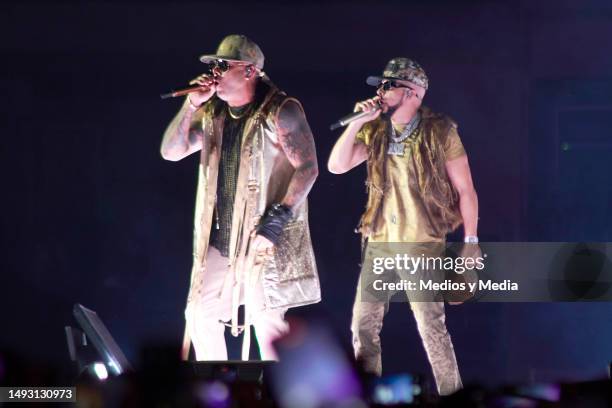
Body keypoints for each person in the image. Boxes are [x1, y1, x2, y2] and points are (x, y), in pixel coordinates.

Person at [161, 34, 320, 361]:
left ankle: (279, 393)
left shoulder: (280, 110)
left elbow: (308, 168)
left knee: (267, 324)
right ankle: (218, 392)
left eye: (223, 65)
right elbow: (171, 152)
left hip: (264, 237)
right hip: (223, 238)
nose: (215, 72)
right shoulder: (213, 114)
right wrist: (191, 104)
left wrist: (276, 222)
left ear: (249, 71)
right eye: (213, 65)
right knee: (199, 315)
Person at [328, 58, 479, 395]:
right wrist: (357, 123)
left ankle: (452, 395)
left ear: (411, 93)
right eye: (380, 86)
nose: (380, 93)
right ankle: (364, 395)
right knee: (362, 327)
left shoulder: (440, 130)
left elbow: (466, 189)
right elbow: (337, 166)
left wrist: (471, 239)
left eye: (388, 86)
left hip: (421, 242)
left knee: (431, 328)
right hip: (380, 242)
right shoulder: (376, 129)